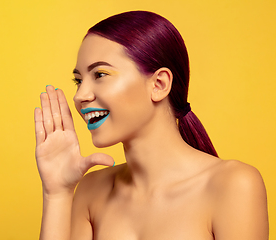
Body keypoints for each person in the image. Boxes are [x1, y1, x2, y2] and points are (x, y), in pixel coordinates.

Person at [34, 11, 268, 240]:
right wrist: (56, 194)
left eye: (100, 74)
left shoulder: (233, 186)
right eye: (78, 81)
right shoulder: (91, 190)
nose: (80, 96)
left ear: (158, 84)